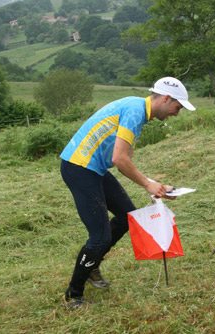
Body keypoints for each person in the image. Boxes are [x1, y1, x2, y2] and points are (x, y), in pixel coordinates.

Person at [59, 77, 196, 308]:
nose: (177, 112)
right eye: (177, 107)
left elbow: (125, 159)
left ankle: (93, 264)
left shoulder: (138, 110)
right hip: (79, 167)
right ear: (165, 98)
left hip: (95, 169)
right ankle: (73, 294)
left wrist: (155, 185)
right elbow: (119, 159)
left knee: (127, 217)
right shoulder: (134, 111)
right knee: (99, 236)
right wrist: (147, 184)